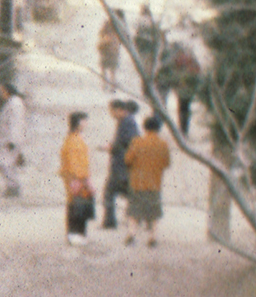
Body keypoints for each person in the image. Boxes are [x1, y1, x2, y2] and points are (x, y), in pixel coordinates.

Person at [125, 109, 172, 247]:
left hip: (137, 181)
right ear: (159, 128)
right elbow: (166, 163)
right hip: (154, 182)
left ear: (144, 127)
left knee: (134, 211)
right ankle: (153, 237)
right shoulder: (163, 144)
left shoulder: (137, 142)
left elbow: (128, 160)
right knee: (153, 212)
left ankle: (132, 234)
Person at [101, 97, 139, 235]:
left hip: (123, 165)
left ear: (119, 110)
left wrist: (111, 148)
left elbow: (126, 143)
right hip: (123, 164)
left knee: (110, 192)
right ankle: (133, 218)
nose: (111, 114)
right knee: (124, 192)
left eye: (112, 111)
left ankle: (110, 221)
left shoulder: (128, 123)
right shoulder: (125, 121)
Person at [60, 109, 95, 252]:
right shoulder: (74, 140)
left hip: (79, 177)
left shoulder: (74, 138)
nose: (86, 123)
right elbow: (74, 163)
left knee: (80, 204)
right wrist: (83, 178)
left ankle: (78, 233)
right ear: (79, 122)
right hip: (77, 178)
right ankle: (75, 233)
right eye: (84, 120)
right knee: (77, 205)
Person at [0, 80, 28, 199]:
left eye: (3, 91)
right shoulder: (11, 102)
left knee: (6, 163)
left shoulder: (15, 103)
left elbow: (15, 122)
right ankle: (12, 186)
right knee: (6, 163)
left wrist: (13, 141)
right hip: (7, 139)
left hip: (10, 140)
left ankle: (13, 186)